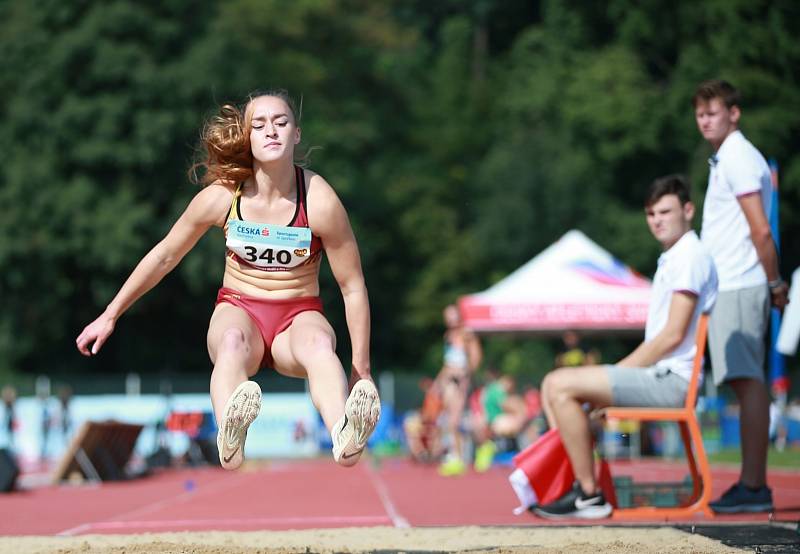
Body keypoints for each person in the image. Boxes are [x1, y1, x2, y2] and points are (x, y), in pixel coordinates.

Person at [76, 90, 380, 470]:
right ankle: (230, 436)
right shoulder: (222, 197)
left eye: (281, 122)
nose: (271, 131)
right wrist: (110, 314)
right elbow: (165, 255)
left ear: (296, 134)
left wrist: (361, 369)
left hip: (298, 314)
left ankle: (344, 433)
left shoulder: (319, 201)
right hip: (240, 308)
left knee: (320, 343)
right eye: (259, 124)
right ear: (246, 137)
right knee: (232, 342)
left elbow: (352, 286)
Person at [535, 175, 718, 519]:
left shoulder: (690, 256)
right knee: (551, 386)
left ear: (688, 210)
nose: (657, 220)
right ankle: (580, 481)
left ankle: (589, 495)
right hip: (658, 376)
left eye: (665, 211)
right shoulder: (674, 257)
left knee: (560, 385)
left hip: (671, 382)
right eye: (651, 214)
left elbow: (672, 336)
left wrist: (617, 373)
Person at [693, 79, 789, 513]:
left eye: (713, 112)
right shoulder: (727, 158)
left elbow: (761, 228)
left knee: (748, 382)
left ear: (734, 113)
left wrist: (773, 282)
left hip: (740, 282)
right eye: (700, 114)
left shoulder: (737, 157)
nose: (705, 120)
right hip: (730, 284)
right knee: (741, 380)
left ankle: (754, 485)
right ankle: (752, 483)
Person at [435, 304, 483, 476]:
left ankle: (461, 455)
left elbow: (476, 358)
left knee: (455, 421)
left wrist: (466, 376)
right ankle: (457, 454)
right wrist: (438, 382)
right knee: (450, 420)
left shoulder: (467, 334)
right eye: (447, 316)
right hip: (449, 380)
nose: (450, 319)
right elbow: (447, 362)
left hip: (460, 381)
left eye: (453, 315)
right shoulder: (448, 336)